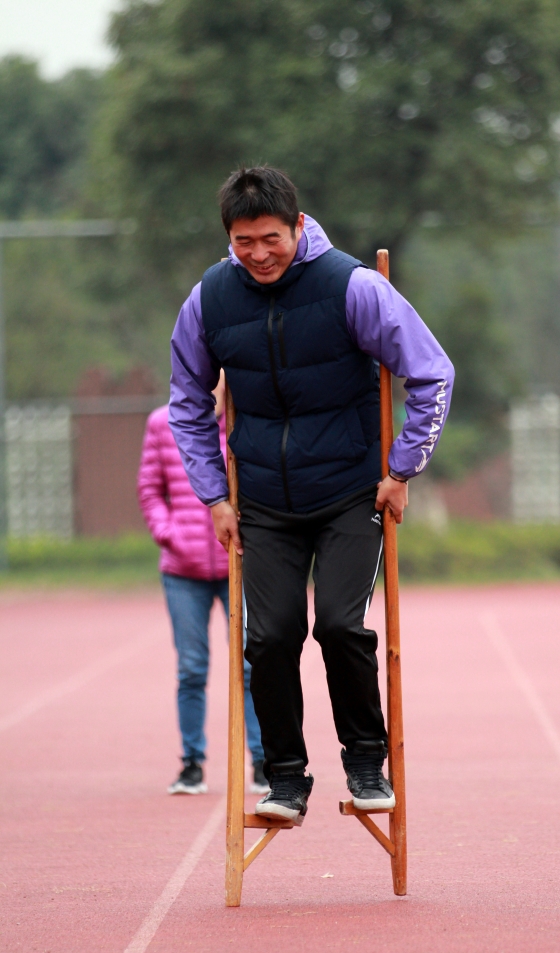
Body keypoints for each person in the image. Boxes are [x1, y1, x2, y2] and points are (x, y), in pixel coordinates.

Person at [170, 165, 454, 824]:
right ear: (229, 239)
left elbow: (431, 372)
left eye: (270, 237)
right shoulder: (209, 300)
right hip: (263, 502)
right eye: (244, 242)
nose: (259, 254)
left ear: (298, 227)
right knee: (268, 638)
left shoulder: (352, 286)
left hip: (352, 492)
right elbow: (187, 403)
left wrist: (402, 470)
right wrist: (214, 496)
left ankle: (365, 762)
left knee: (336, 624)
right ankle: (285, 780)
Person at [138, 372, 268, 796]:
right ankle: (192, 762)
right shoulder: (162, 422)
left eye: (219, 382)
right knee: (191, 668)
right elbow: (150, 489)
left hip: (239, 563)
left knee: (254, 664)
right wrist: (168, 534)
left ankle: (263, 760)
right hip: (183, 571)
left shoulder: (246, 420)